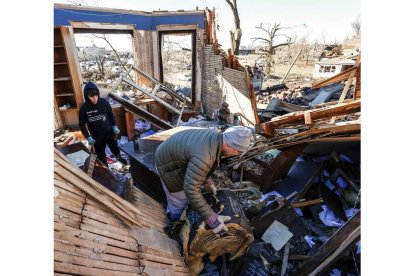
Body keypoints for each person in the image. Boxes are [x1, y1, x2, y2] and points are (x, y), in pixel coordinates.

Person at [155, 126, 253, 236]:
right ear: (231, 144)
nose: (237, 154)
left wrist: (207, 181)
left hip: (173, 155)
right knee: (179, 201)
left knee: (190, 195)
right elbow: (191, 190)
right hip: (168, 167)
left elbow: (198, 163)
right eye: (238, 150)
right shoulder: (204, 156)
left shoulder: (215, 138)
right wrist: (212, 218)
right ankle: (174, 224)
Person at [79, 81, 127, 167]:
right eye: (91, 96)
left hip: (109, 132)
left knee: (114, 147)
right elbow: (82, 124)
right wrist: (88, 137)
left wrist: (115, 126)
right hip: (96, 136)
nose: (94, 98)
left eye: (96, 95)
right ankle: (105, 168)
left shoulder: (104, 102)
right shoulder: (84, 108)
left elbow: (111, 115)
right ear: (87, 96)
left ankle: (119, 158)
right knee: (101, 154)